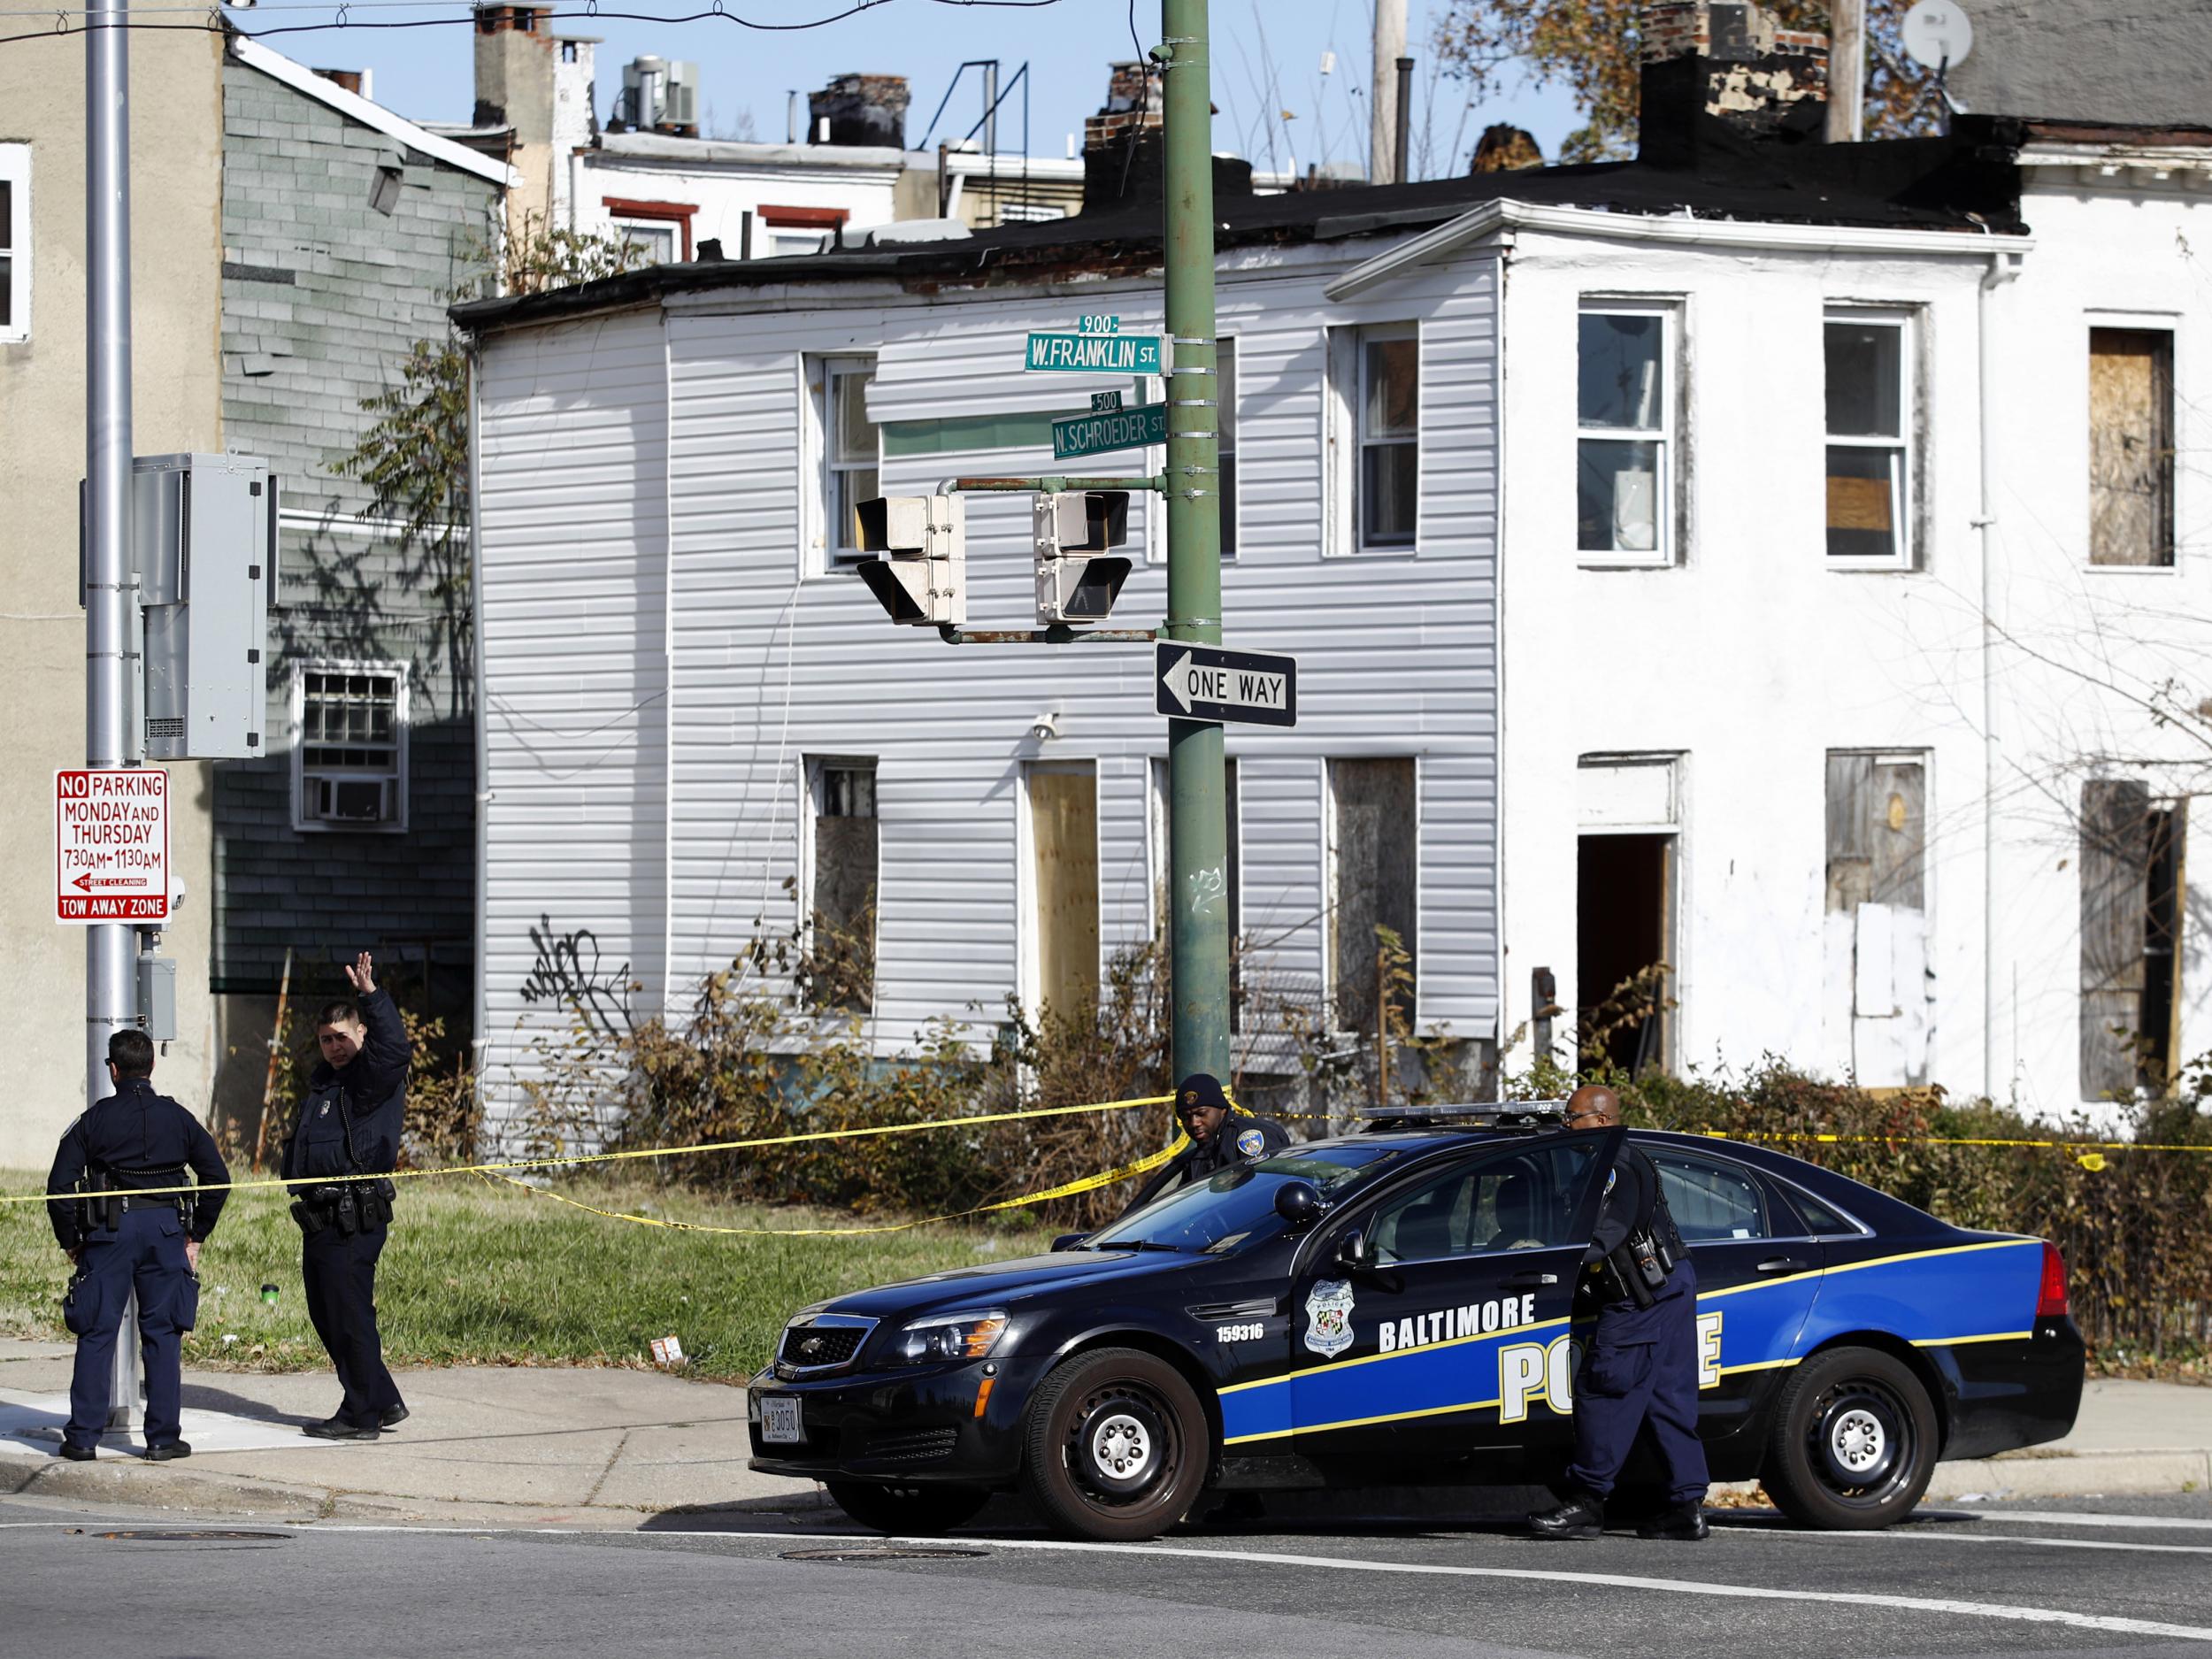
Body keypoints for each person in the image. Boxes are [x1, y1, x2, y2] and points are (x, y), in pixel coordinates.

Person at [1528, 1084, 1710, 1542]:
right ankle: (1686, 1508)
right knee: (1667, 1398)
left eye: (1573, 1119)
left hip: (1639, 1295)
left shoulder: (1615, 1167)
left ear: (1602, 1120)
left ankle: (1587, 1502)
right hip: (1670, 1284)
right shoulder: (1616, 1159)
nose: (1565, 1127)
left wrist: (1551, 1260)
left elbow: (1606, 1235)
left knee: (1605, 1389)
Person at [45, 1028, 230, 1462]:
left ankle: (83, 1439)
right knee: (163, 1334)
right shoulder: (179, 1117)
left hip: (110, 1234)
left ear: (113, 1069)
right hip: (166, 1233)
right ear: (151, 1067)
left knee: (96, 1332)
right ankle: (163, 1439)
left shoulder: (94, 1119)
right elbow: (218, 1178)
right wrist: (195, 1233)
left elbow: (59, 1185)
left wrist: (71, 1240)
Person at [282, 951, 412, 1440]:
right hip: (320, 1218)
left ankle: (360, 1415)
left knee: (349, 1315)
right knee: (327, 1312)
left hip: (353, 1217)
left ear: (360, 1035)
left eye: (342, 1037)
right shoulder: (326, 1083)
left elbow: (394, 1050)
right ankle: (382, 1399)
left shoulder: (369, 1080)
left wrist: (371, 997)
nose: (334, 1047)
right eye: (325, 1040)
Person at [1118, 1072, 1291, 1216]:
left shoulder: (1247, 1137)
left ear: (1222, 1109)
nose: (1194, 1123)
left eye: (1201, 1114)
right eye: (1186, 1117)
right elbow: (1182, 1210)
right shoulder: (1199, 1157)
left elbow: (1264, 1200)